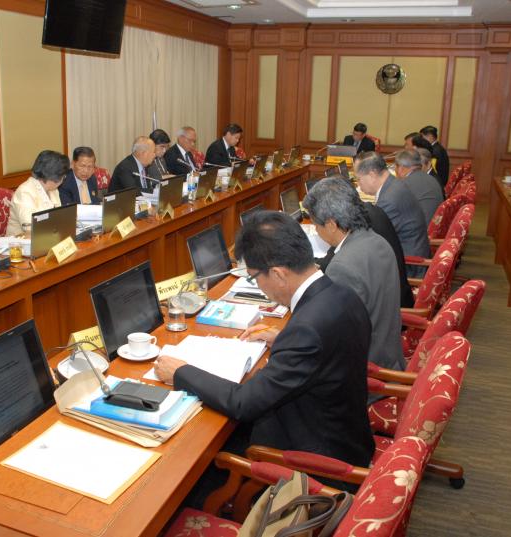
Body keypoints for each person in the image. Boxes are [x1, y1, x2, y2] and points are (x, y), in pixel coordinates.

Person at [155, 210, 374, 469]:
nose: (257, 285)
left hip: (318, 458)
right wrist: (283, 338)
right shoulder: (343, 295)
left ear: (279, 274)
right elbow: (325, 349)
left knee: (198, 455)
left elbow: (243, 403)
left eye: (254, 277)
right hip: (347, 433)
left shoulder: (306, 331)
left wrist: (181, 372)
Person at [303, 178, 405, 378]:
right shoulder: (377, 240)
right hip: (388, 355)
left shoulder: (342, 267)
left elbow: (333, 339)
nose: (316, 230)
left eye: (316, 225)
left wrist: (286, 339)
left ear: (331, 224)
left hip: (364, 373)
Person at [355, 151, 430, 277]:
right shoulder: (393, 184)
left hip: (409, 266)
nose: (358, 184)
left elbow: (372, 240)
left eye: (359, 179)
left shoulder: (389, 200)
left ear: (372, 174)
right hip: (410, 252)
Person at [6, 150, 68, 236]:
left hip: (49, 236)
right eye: (63, 176)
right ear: (54, 176)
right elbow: (30, 227)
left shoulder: (53, 190)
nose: (64, 178)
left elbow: (59, 217)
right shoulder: (25, 192)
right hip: (21, 241)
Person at [394, 149, 444, 228]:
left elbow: (393, 212)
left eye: (396, 167)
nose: (395, 170)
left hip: (418, 230)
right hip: (433, 227)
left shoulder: (405, 184)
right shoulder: (432, 179)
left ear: (401, 168)